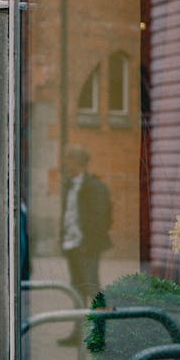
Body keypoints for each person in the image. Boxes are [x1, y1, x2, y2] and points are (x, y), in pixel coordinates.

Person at [59, 146, 112, 345]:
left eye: (69, 160)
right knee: (77, 290)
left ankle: (103, 333)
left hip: (86, 247)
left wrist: (87, 244)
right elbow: (69, 216)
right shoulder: (70, 185)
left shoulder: (94, 186)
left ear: (79, 163)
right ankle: (77, 334)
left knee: (92, 288)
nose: (66, 163)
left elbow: (102, 218)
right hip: (71, 245)